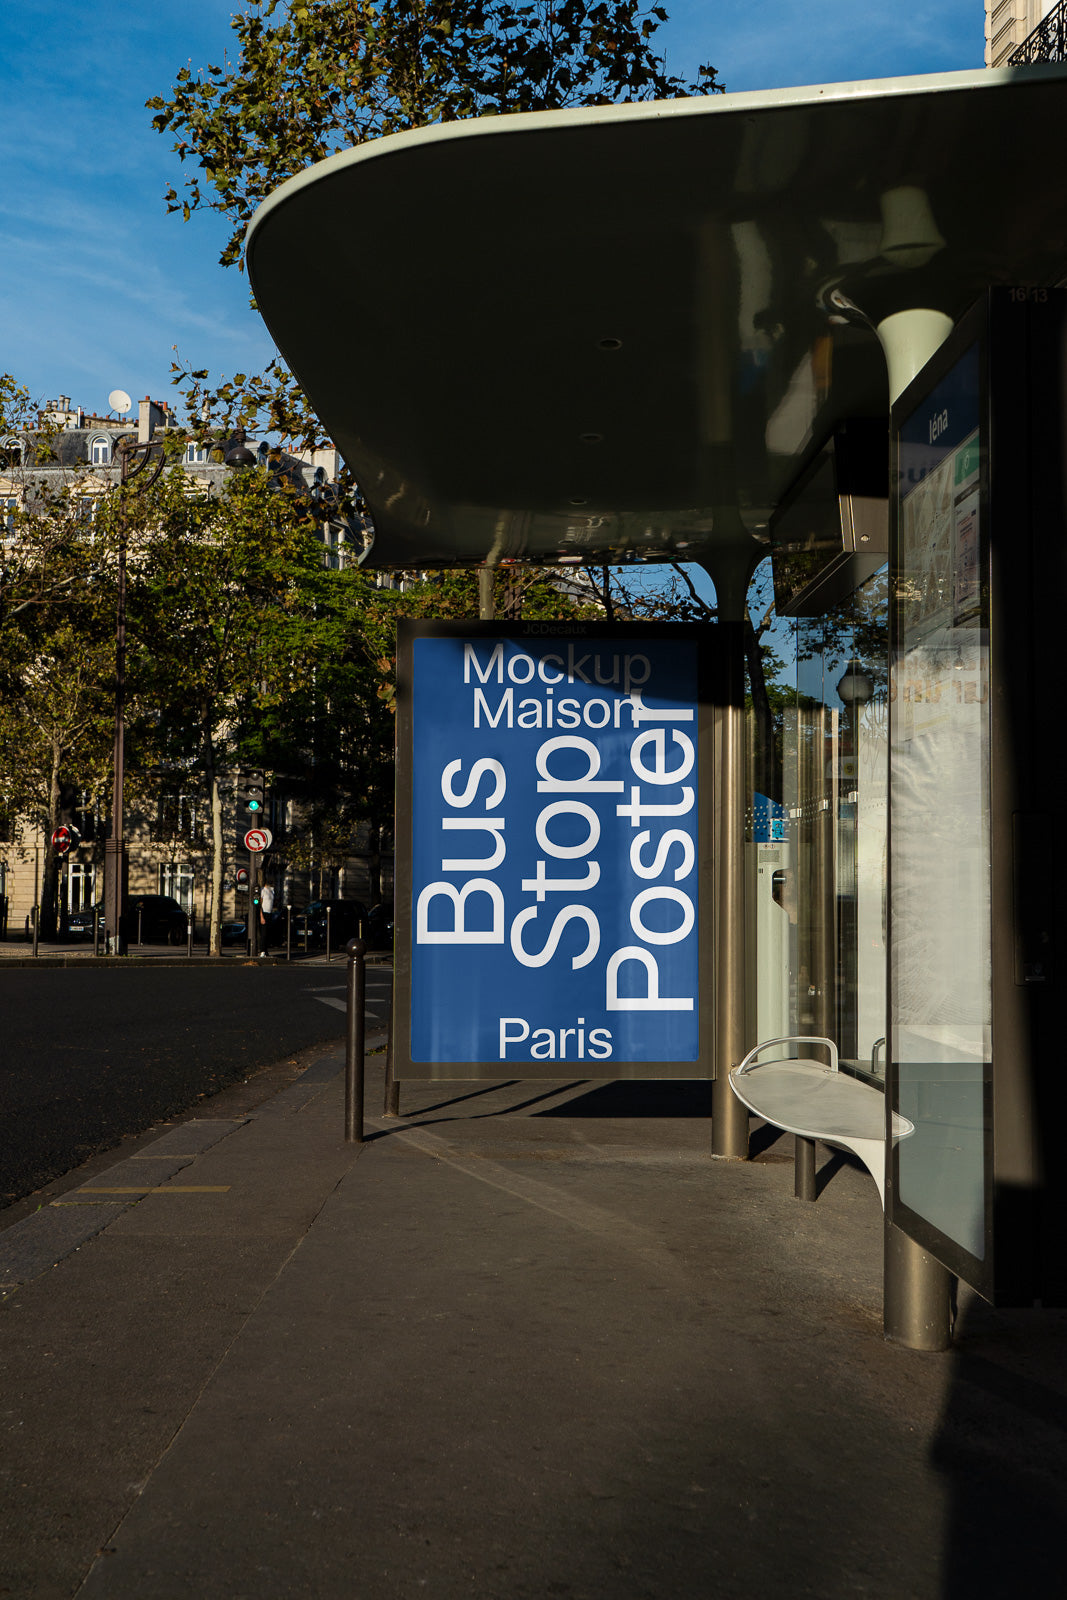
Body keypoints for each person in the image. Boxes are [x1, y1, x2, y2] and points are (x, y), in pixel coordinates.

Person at [259, 881, 275, 954]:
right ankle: (262, 950)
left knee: (268, 933)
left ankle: (266, 950)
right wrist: (261, 916)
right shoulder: (263, 890)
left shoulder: (272, 891)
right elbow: (260, 903)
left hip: (270, 913)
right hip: (264, 913)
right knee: (264, 933)